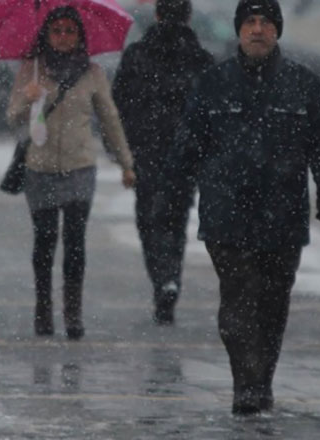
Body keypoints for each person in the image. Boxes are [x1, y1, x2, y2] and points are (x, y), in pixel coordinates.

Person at [174, 0, 320, 415]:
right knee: (237, 298)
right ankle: (244, 383)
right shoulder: (214, 82)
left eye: (265, 22)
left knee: (272, 301)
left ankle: (261, 378)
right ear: (238, 30)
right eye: (249, 22)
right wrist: (173, 188)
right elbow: (188, 145)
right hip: (226, 214)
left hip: (282, 213)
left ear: (277, 30)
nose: (257, 29)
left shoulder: (302, 84)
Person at [6, 6, 136, 340]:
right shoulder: (31, 70)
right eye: (57, 31)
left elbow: (110, 119)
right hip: (40, 168)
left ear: (80, 36)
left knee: (75, 243)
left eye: (69, 31)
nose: (63, 37)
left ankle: (73, 312)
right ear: (46, 35)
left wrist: (126, 163)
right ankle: (43, 308)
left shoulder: (92, 73)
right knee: (45, 240)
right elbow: (12, 117)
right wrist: (27, 97)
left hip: (80, 167)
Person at [112, 0, 214, 325]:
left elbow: (118, 107)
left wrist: (121, 150)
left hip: (145, 151)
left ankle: (161, 278)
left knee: (149, 219)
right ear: (189, 17)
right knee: (176, 219)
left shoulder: (136, 55)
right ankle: (170, 279)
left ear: (156, 15)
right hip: (185, 154)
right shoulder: (202, 59)